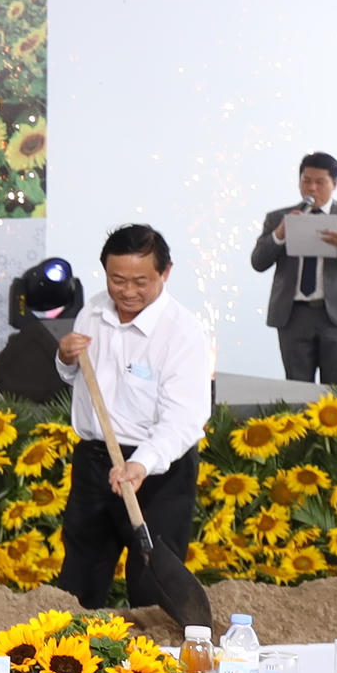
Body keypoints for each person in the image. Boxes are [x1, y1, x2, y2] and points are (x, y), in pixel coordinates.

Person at [57, 224, 212, 610]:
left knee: (152, 583)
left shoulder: (182, 332)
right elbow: (74, 378)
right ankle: (73, 643)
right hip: (95, 460)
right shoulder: (92, 312)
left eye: (140, 281)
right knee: (80, 573)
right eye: (117, 280)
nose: (127, 291)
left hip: (157, 469)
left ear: (165, 272)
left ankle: (156, 646)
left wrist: (141, 463)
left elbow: (184, 418)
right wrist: (65, 358)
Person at [249, 152, 337, 387]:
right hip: (293, 315)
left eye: (320, 182)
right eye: (306, 181)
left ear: (334, 184)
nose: (312, 188)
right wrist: (279, 234)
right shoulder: (279, 218)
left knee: (336, 393)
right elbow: (258, 262)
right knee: (297, 391)